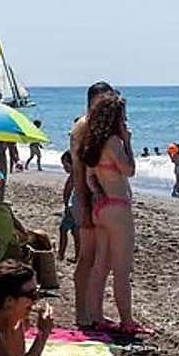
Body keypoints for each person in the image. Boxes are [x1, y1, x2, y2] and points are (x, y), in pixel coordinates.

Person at [82, 92, 138, 331]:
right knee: (122, 269)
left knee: (100, 266)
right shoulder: (114, 142)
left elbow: (90, 177)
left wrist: (97, 193)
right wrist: (128, 142)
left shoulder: (93, 143)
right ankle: (126, 320)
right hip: (118, 206)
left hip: (101, 207)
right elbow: (129, 170)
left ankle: (96, 316)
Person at [70, 81, 115, 328]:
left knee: (100, 257)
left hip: (96, 198)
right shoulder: (84, 127)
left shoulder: (96, 127)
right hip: (86, 197)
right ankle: (82, 312)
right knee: (88, 256)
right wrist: (86, 204)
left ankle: (92, 310)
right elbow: (80, 171)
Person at [58, 151, 79, 262]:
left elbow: (69, 192)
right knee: (75, 232)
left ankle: (61, 254)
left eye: (65, 165)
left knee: (63, 230)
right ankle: (77, 255)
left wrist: (67, 205)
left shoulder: (75, 176)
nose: (64, 168)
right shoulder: (75, 175)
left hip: (71, 208)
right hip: (73, 207)